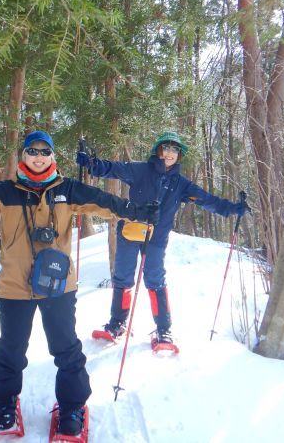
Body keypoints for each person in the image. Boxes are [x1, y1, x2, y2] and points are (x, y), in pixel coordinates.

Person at [0, 130, 159, 437]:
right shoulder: (5, 191)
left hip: (59, 287)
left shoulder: (68, 190)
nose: (39, 157)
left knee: (66, 349)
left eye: (44, 152)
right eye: (32, 151)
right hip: (16, 287)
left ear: (52, 157)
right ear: (23, 156)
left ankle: (72, 406)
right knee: (12, 349)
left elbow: (105, 203)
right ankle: (3, 401)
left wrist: (136, 211)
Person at [77, 131, 247, 346]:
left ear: (179, 155)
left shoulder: (182, 184)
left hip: (156, 239)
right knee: (122, 278)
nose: (169, 153)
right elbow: (111, 168)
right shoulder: (140, 170)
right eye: (166, 148)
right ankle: (117, 324)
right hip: (130, 232)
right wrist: (91, 163)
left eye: (175, 150)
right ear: (158, 150)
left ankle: (163, 330)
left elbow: (206, 200)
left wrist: (232, 209)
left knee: (155, 280)